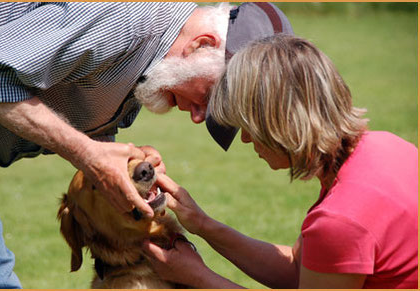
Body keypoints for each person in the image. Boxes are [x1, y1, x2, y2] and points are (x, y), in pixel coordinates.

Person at [0, 2, 293, 289]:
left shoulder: (150, 63)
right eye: (208, 97)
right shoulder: (122, 23)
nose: (199, 117)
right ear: (202, 44)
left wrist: (123, 163)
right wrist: (87, 154)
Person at [143, 35, 418, 289]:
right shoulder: (389, 146)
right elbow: (302, 270)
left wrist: (198, 277)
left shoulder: (340, 220)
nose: (247, 140)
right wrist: (202, 224)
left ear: (279, 122)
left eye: (249, 126)